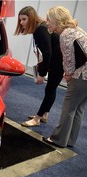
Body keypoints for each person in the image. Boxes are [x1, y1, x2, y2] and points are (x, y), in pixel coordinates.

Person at [42, 6, 87, 148]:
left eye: (49, 19)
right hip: (85, 76)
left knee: (68, 108)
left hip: (81, 75)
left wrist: (67, 74)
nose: (47, 22)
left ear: (56, 19)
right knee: (78, 109)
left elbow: (69, 59)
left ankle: (58, 139)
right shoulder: (77, 30)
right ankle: (70, 140)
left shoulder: (66, 34)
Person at [14, 6, 64, 127]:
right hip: (57, 62)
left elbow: (47, 53)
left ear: (31, 18)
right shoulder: (40, 28)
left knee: (50, 90)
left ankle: (37, 118)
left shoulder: (40, 29)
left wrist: (42, 74)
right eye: (20, 20)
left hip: (58, 63)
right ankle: (44, 114)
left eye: (24, 19)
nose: (21, 23)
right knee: (51, 90)